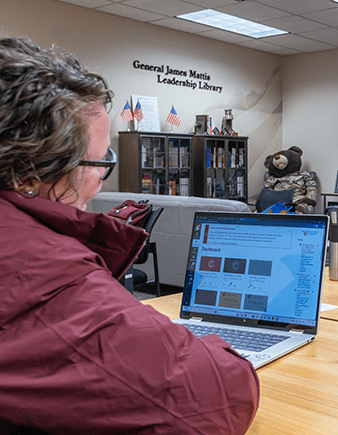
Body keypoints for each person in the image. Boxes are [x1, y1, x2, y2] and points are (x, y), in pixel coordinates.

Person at [0, 38, 258, 434]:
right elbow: (219, 395)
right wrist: (209, 343)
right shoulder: (44, 271)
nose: (100, 183)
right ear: (31, 175)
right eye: (100, 162)